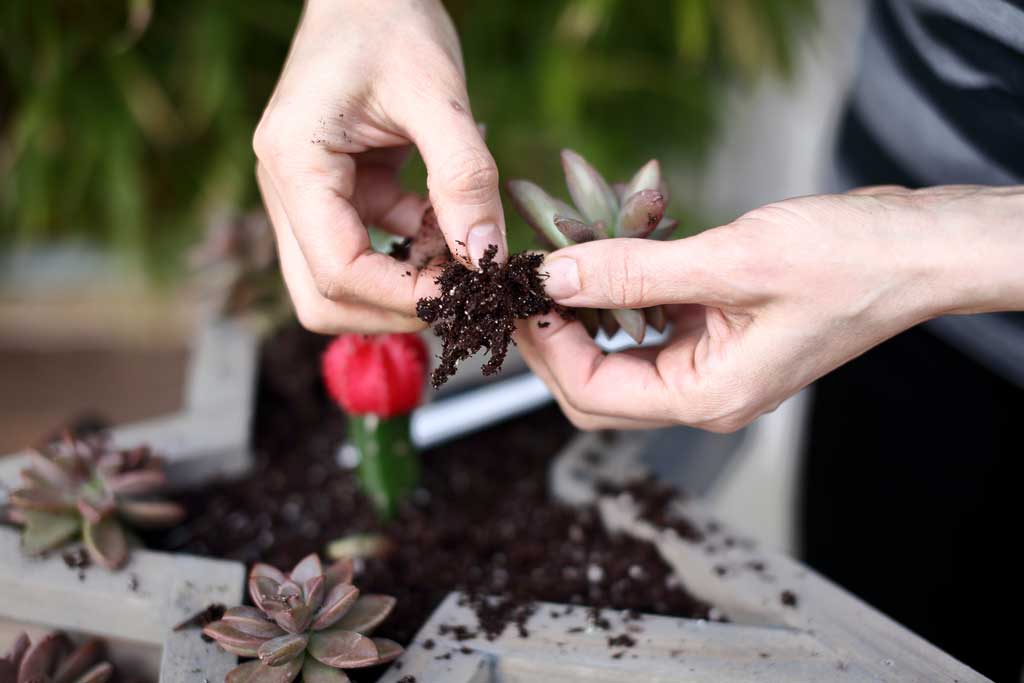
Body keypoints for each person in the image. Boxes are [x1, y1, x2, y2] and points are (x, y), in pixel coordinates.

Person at [255, 0, 1023, 678]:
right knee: (896, 621)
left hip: (896, 261)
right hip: (904, 271)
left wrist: (929, 250)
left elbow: (907, 259)